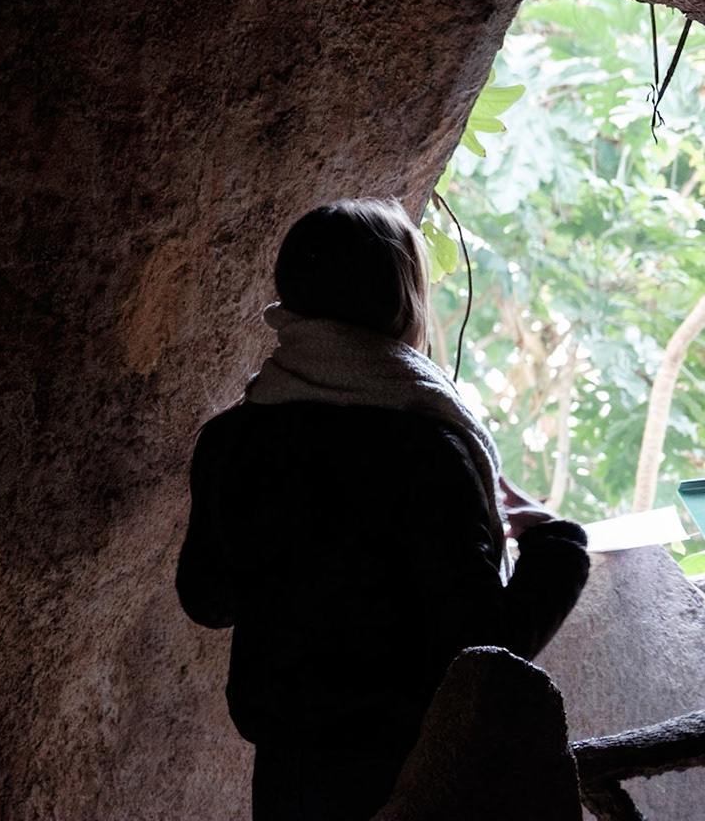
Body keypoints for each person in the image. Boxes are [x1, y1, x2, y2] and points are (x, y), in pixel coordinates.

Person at [177, 198, 590, 821]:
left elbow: (207, 600)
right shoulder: (427, 449)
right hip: (413, 775)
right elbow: (482, 650)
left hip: (284, 775)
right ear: (403, 299)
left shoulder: (233, 437)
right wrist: (559, 547)